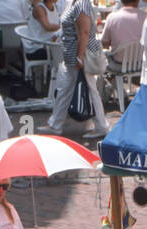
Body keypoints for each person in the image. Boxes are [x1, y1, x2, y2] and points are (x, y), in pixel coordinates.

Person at [45, 0, 109, 138]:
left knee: (88, 89)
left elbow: (84, 31)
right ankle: (55, 124)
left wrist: (80, 56)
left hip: (80, 54)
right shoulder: (73, 2)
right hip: (71, 54)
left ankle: (101, 126)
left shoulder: (81, 3)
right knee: (66, 88)